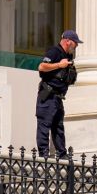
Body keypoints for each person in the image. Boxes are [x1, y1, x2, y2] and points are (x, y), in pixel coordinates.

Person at [35, 30, 81, 158]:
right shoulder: (54, 52)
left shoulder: (68, 56)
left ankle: (62, 154)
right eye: (75, 43)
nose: (76, 46)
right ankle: (43, 154)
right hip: (48, 95)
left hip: (58, 97)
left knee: (58, 127)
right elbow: (42, 67)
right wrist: (59, 65)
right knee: (44, 124)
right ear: (68, 41)